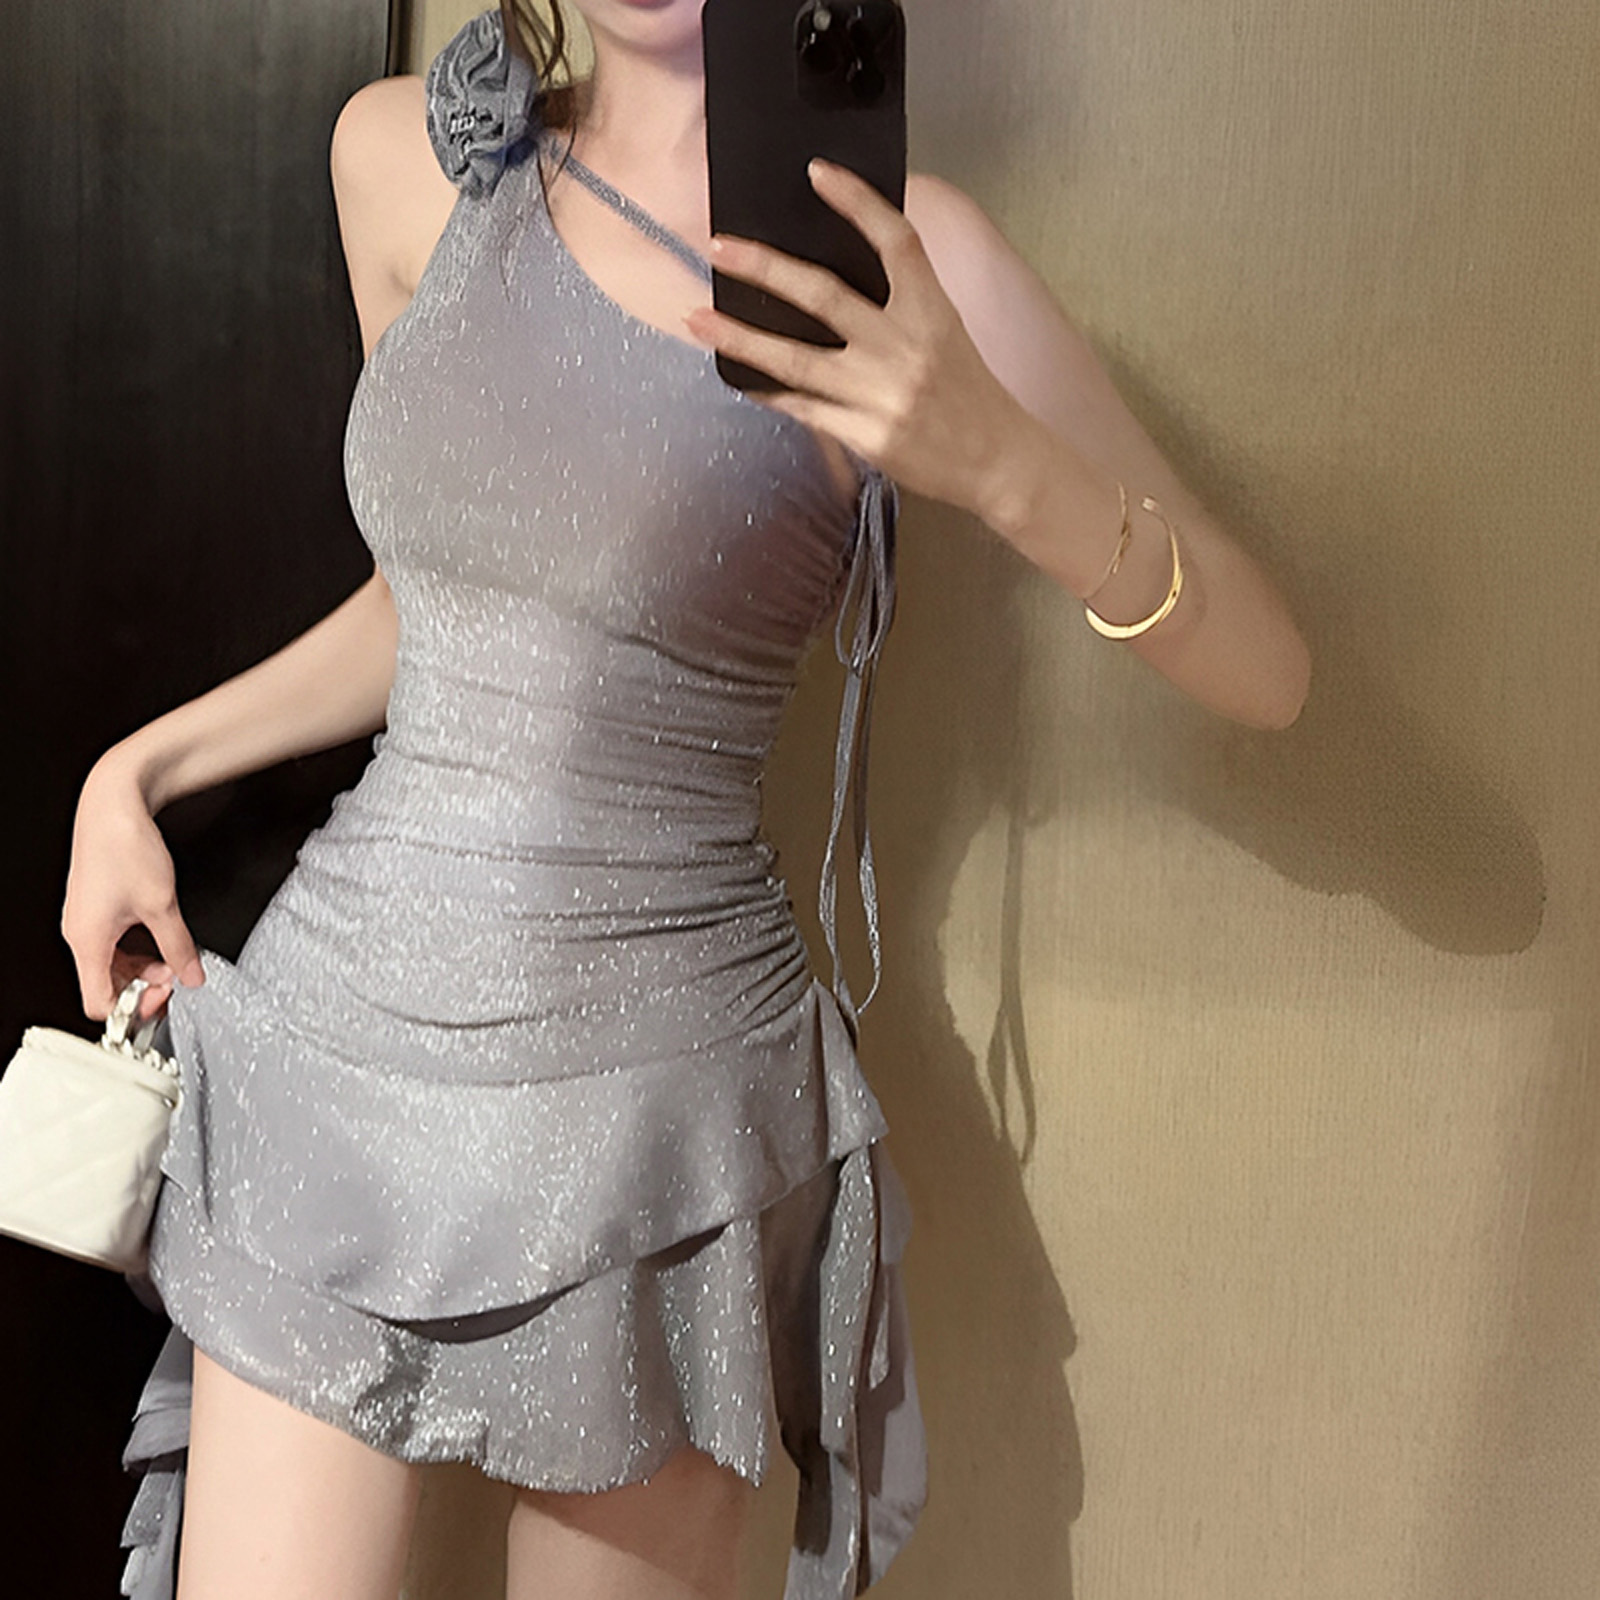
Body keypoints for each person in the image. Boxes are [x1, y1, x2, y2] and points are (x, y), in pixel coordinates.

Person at [60, 4, 1311, 1599]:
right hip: (340, 1050)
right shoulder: (401, 156)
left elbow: (1268, 669)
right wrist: (139, 768)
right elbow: (444, 602)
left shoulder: (907, 254)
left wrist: (1000, 462)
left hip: (659, 1128)